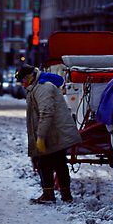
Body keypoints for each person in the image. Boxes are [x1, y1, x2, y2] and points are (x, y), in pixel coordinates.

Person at [15, 64, 82, 204]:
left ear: (29, 77)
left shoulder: (43, 87)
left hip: (53, 134)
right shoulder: (38, 86)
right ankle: (65, 195)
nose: (22, 84)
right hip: (54, 132)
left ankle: (49, 195)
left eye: (23, 81)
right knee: (59, 163)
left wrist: (40, 136)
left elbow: (46, 113)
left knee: (45, 163)